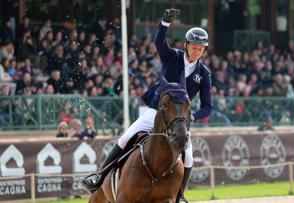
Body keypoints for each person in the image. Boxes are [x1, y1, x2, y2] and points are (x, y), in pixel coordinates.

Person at [82, 8, 213, 202]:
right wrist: (165, 24)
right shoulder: (173, 56)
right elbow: (159, 43)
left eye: (200, 49)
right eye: (194, 47)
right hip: (157, 111)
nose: (196, 52)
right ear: (187, 45)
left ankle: (179, 196)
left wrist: (192, 117)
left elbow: (208, 106)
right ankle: (100, 177)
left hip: (180, 120)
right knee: (125, 137)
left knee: (189, 157)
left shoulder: (204, 73)